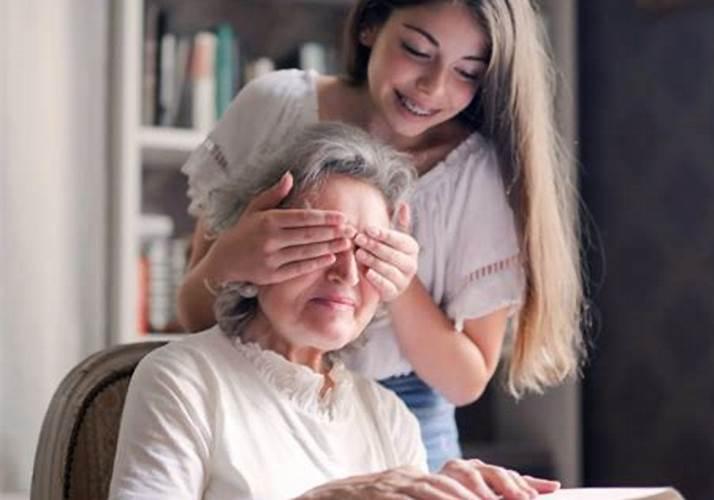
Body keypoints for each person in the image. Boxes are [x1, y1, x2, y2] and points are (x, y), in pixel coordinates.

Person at [177, 0, 585, 472]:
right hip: (256, 397)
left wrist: (398, 281)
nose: (433, 87)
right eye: (416, 49)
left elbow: (465, 381)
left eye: (467, 73)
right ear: (370, 26)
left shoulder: (477, 178)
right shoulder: (273, 107)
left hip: (407, 418)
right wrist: (230, 260)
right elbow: (193, 315)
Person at [108, 122, 561, 500]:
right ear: (260, 244)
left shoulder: (390, 418)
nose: (346, 273)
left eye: (369, 253)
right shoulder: (182, 380)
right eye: (320, 245)